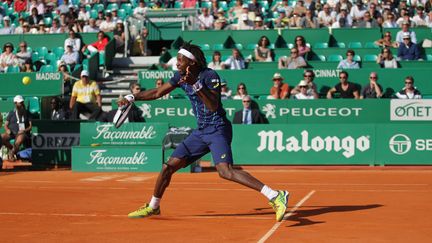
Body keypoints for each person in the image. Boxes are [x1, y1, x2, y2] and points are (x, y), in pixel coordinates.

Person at [126, 43, 289, 221]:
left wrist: (195, 85)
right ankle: (153, 207)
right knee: (168, 167)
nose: (177, 63)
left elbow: (212, 106)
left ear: (192, 63)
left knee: (225, 171)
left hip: (218, 128)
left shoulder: (210, 76)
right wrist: (133, 97)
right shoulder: (180, 76)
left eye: (181, 60)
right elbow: (157, 92)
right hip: (201, 132)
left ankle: (275, 195)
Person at [1, 95, 32, 162]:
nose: (21, 104)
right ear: (15, 103)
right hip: (12, 133)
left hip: (22, 133)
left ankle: (11, 153)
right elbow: (6, 125)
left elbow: (30, 126)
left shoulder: (27, 113)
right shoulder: (11, 113)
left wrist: (24, 130)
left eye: (22, 102)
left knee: (19, 140)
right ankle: (14, 150)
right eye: (19, 102)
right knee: (2, 137)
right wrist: (7, 130)